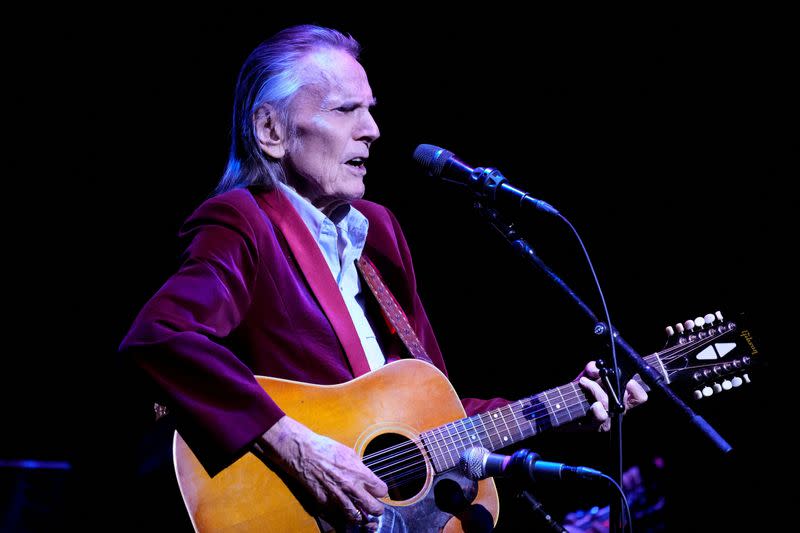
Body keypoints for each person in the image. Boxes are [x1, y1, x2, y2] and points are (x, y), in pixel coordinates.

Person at [119, 24, 648, 531]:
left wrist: (562, 407)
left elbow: (436, 417)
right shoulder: (244, 221)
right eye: (346, 109)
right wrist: (294, 446)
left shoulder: (381, 236)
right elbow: (163, 335)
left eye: (370, 110)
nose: (372, 130)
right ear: (271, 130)